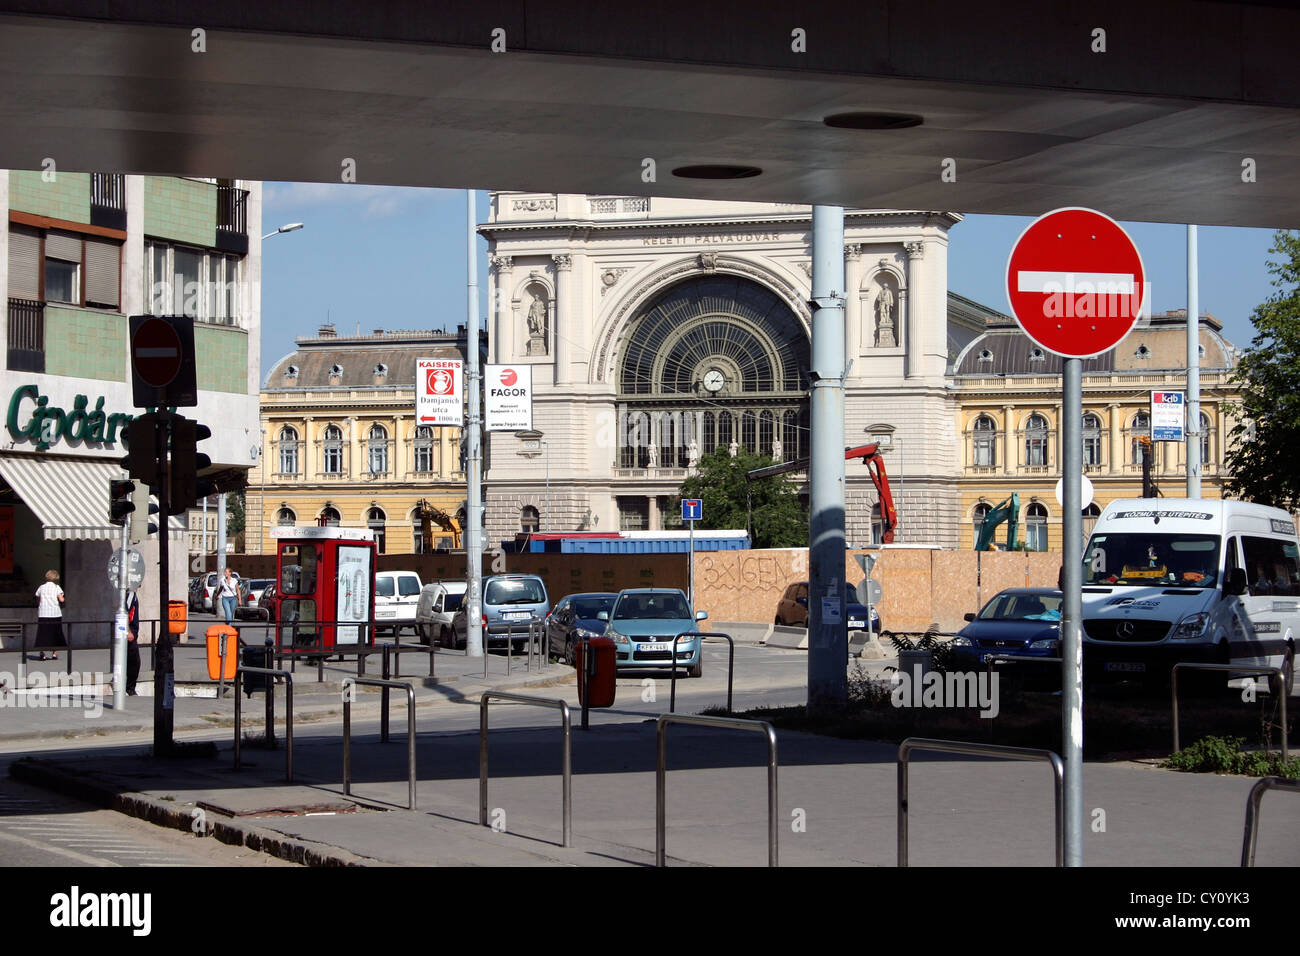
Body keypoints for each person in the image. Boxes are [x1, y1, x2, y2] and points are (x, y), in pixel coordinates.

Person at [35, 569, 65, 661]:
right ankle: (54, 653)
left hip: (43, 613)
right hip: (55, 613)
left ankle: (42, 653)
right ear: (55, 578)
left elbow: (38, 599)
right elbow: (61, 600)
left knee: (43, 634)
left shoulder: (41, 587)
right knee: (55, 633)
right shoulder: (57, 587)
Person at [124, 589, 141, 696]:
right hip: (129, 633)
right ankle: (129, 688)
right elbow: (125, 611)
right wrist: (129, 631)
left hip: (130, 633)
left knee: (131, 661)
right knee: (134, 662)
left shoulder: (131, 594)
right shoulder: (131, 594)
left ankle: (128, 687)